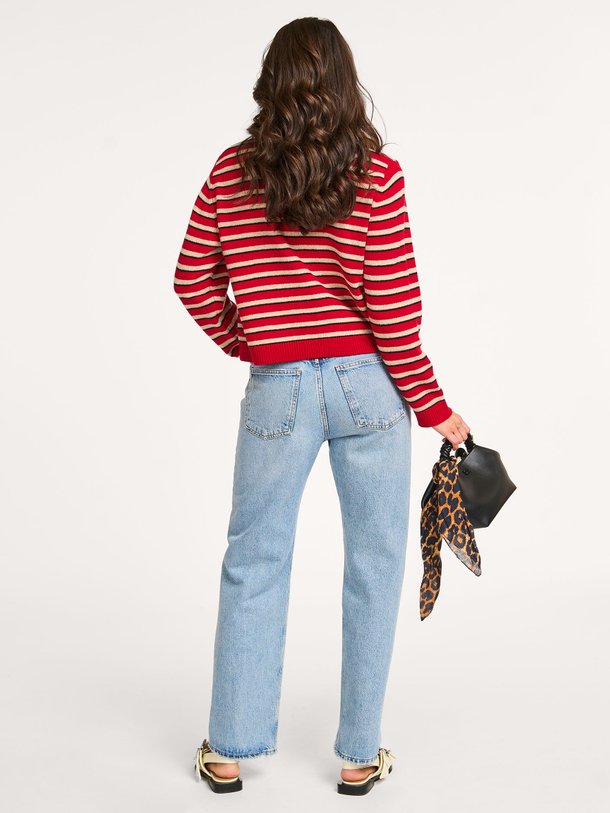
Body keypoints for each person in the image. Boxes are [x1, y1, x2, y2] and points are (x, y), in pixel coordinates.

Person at [173, 16, 470, 795]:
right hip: (369, 386)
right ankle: (359, 754)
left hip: (278, 388)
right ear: (344, 82)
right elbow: (395, 317)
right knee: (375, 563)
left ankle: (229, 748)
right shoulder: (378, 175)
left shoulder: (231, 173)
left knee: (254, 557)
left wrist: (251, 341)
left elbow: (191, 279)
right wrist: (436, 407)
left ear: (270, 82)